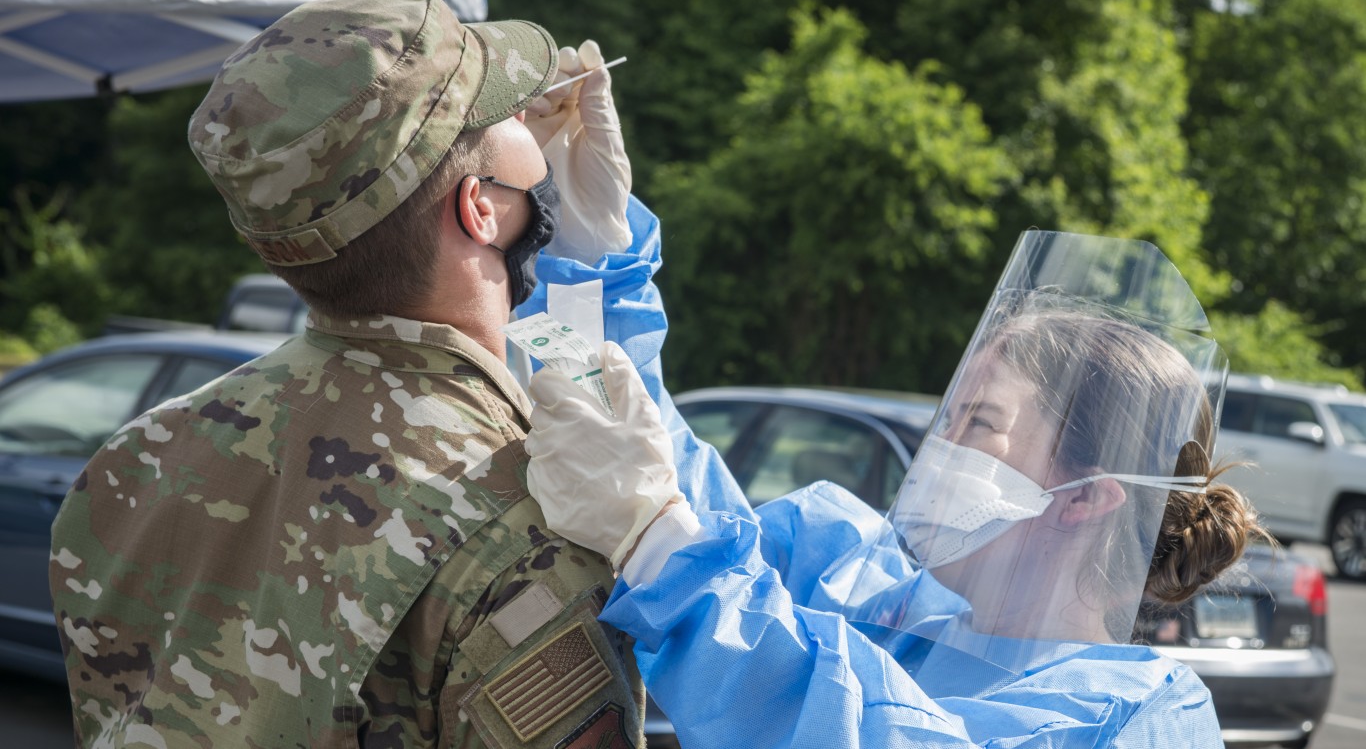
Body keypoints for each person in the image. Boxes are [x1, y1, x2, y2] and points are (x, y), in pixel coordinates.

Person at [48, 0, 650, 746]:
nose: (530, 113)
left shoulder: (132, 464)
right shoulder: (527, 533)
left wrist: (600, 272)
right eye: (503, 112)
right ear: (480, 208)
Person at [523, 230, 1269, 748]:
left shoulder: (1137, 717)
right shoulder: (879, 594)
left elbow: (855, 726)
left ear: (1085, 497)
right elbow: (669, 481)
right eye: (947, 416)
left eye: (977, 422)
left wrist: (662, 544)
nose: (937, 450)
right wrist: (588, 262)